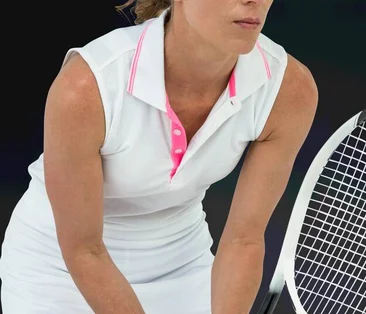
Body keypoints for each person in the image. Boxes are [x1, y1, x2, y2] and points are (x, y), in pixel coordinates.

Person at [0, 0, 318, 313]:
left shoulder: (289, 91)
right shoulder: (86, 87)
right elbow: (85, 250)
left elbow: (244, 240)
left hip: (181, 266)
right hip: (59, 272)